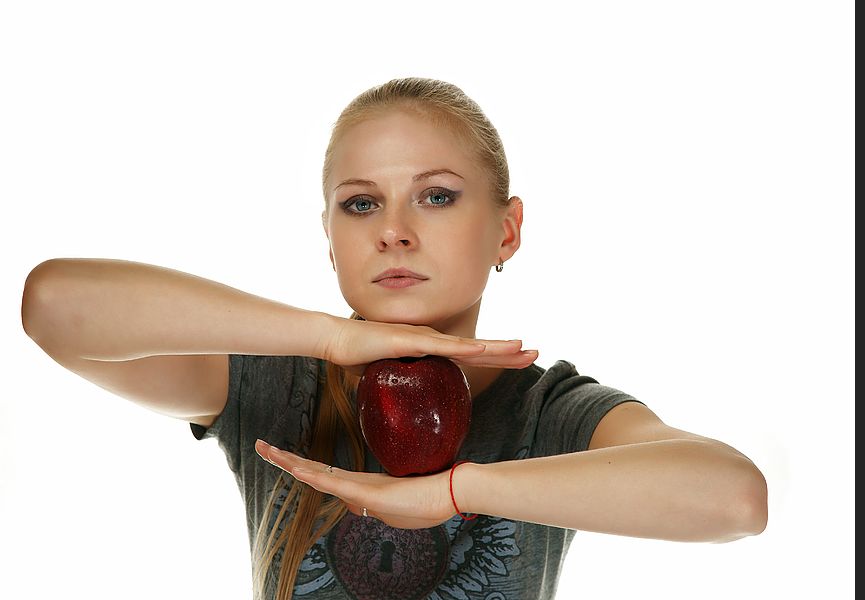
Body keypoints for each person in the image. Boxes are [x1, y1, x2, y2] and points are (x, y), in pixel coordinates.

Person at [21, 77, 768, 600]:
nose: (392, 232)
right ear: (329, 239)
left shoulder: (551, 413)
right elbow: (54, 306)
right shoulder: (276, 384)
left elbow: (734, 500)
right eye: (359, 204)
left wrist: (454, 491)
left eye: (435, 196)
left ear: (505, 229)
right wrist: (328, 338)